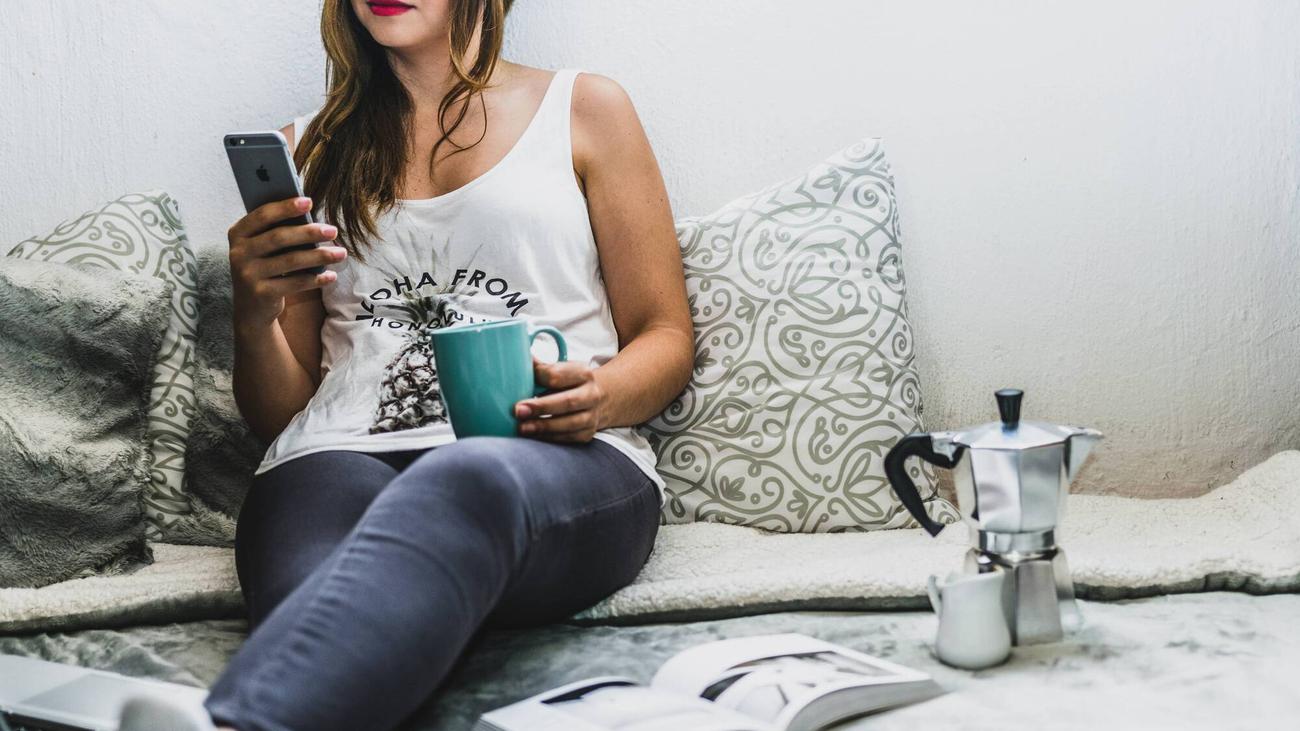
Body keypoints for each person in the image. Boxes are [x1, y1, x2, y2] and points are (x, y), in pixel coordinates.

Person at [120, 1, 692, 729]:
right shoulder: (307, 151)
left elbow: (664, 333)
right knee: (323, 599)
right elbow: (282, 415)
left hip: (547, 454)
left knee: (467, 476)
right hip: (335, 453)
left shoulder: (585, 108)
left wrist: (600, 396)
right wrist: (253, 312)